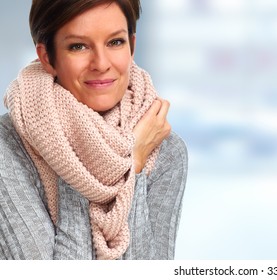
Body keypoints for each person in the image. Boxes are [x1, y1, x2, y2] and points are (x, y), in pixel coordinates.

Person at [0, 0, 188, 260]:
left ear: (132, 46)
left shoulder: (164, 149)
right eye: (78, 46)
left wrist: (131, 165)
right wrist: (125, 163)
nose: (100, 63)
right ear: (47, 57)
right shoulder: (6, 145)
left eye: (115, 42)